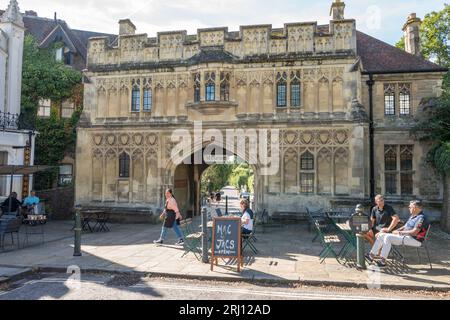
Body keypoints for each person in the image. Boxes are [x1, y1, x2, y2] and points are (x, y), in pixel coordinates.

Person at [366, 200, 429, 267]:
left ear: (415, 207)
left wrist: (399, 233)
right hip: (406, 237)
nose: (409, 208)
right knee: (381, 235)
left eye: (410, 207)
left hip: (415, 239)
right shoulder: (413, 216)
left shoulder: (421, 218)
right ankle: (371, 255)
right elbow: (405, 226)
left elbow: (414, 232)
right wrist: (395, 231)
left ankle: (382, 261)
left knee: (388, 237)